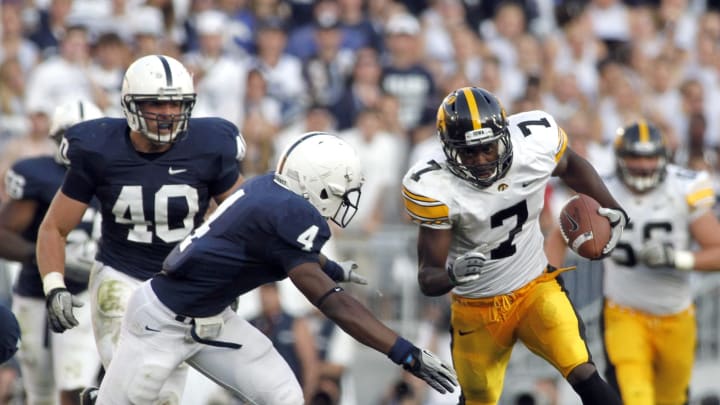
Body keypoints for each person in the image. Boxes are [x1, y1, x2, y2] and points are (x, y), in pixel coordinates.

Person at [94, 132, 457, 404]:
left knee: (285, 396)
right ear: (318, 184)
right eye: (342, 191)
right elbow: (331, 303)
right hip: (160, 322)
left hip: (212, 320)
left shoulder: (271, 189)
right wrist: (405, 352)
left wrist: (330, 267)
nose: (346, 201)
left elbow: (281, 248)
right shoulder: (290, 212)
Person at [35, 54, 247, 404]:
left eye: (175, 103)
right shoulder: (99, 148)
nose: (166, 112)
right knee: (141, 383)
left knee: (165, 397)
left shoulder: (210, 144)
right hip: (121, 276)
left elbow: (243, 219)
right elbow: (53, 228)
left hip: (184, 281)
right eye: (155, 102)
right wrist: (54, 285)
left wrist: (229, 279)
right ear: (130, 104)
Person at [401, 86, 626, 405]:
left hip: (535, 287)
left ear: (503, 136)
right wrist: (453, 275)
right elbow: (428, 277)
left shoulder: (534, 143)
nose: (480, 160)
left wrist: (613, 207)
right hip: (477, 307)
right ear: (450, 150)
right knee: (478, 399)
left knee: (582, 370)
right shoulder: (433, 186)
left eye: (488, 148)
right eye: (469, 152)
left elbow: (572, 166)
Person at [548, 121, 720, 405]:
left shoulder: (683, 188)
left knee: (672, 400)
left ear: (664, 157)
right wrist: (549, 286)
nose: (643, 165)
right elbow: (559, 233)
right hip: (623, 313)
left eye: (650, 156)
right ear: (620, 158)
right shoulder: (601, 189)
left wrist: (678, 259)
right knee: (634, 397)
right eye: (635, 157)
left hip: (677, 314)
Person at [0, 99, 104, 405]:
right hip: (36, 290)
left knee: (77, 384)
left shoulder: (115, 176)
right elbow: (3, 233)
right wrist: (46, 256)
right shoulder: (38, 174)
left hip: (84, 294)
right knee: (39, 389)